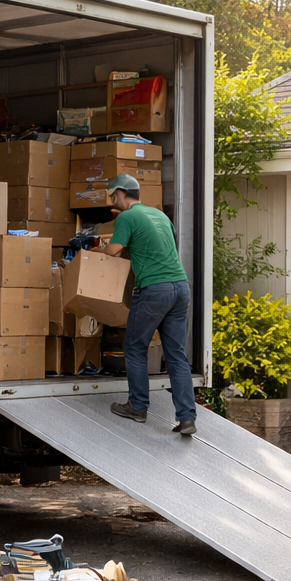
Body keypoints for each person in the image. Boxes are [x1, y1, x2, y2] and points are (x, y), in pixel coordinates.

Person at [97, 174, 196, 436]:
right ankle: (187, 418)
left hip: (154, 289)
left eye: (111, 195)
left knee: (134, 346)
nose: (111, 200)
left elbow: (113, 251)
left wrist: (93, 251)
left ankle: (138, 407)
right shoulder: (160, 216)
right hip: (180, 287)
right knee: (176, 354)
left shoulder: (127, 217)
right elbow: (158, 247)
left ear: (119, 193)